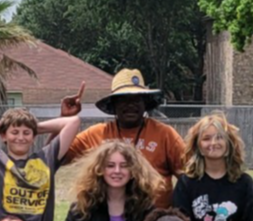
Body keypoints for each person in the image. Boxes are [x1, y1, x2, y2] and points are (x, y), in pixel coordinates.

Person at [63, 68, 185, 206]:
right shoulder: (95, 134)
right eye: (124, 100)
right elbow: (55, 157)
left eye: (136, 99)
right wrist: (66, 120)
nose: (131, 105)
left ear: (145, 104)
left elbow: (190, 176)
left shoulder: (165, 134)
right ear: (113, 105)